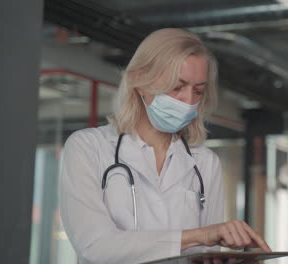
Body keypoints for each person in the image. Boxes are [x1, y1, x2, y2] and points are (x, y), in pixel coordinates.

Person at [59, 28, 271, 264]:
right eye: (177, 87)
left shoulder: (205, 163)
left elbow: (205, 255)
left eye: (198, 91)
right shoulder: (88, 148)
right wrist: (199, 236)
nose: (189, 101)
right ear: (139, 80)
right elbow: (95, 246)